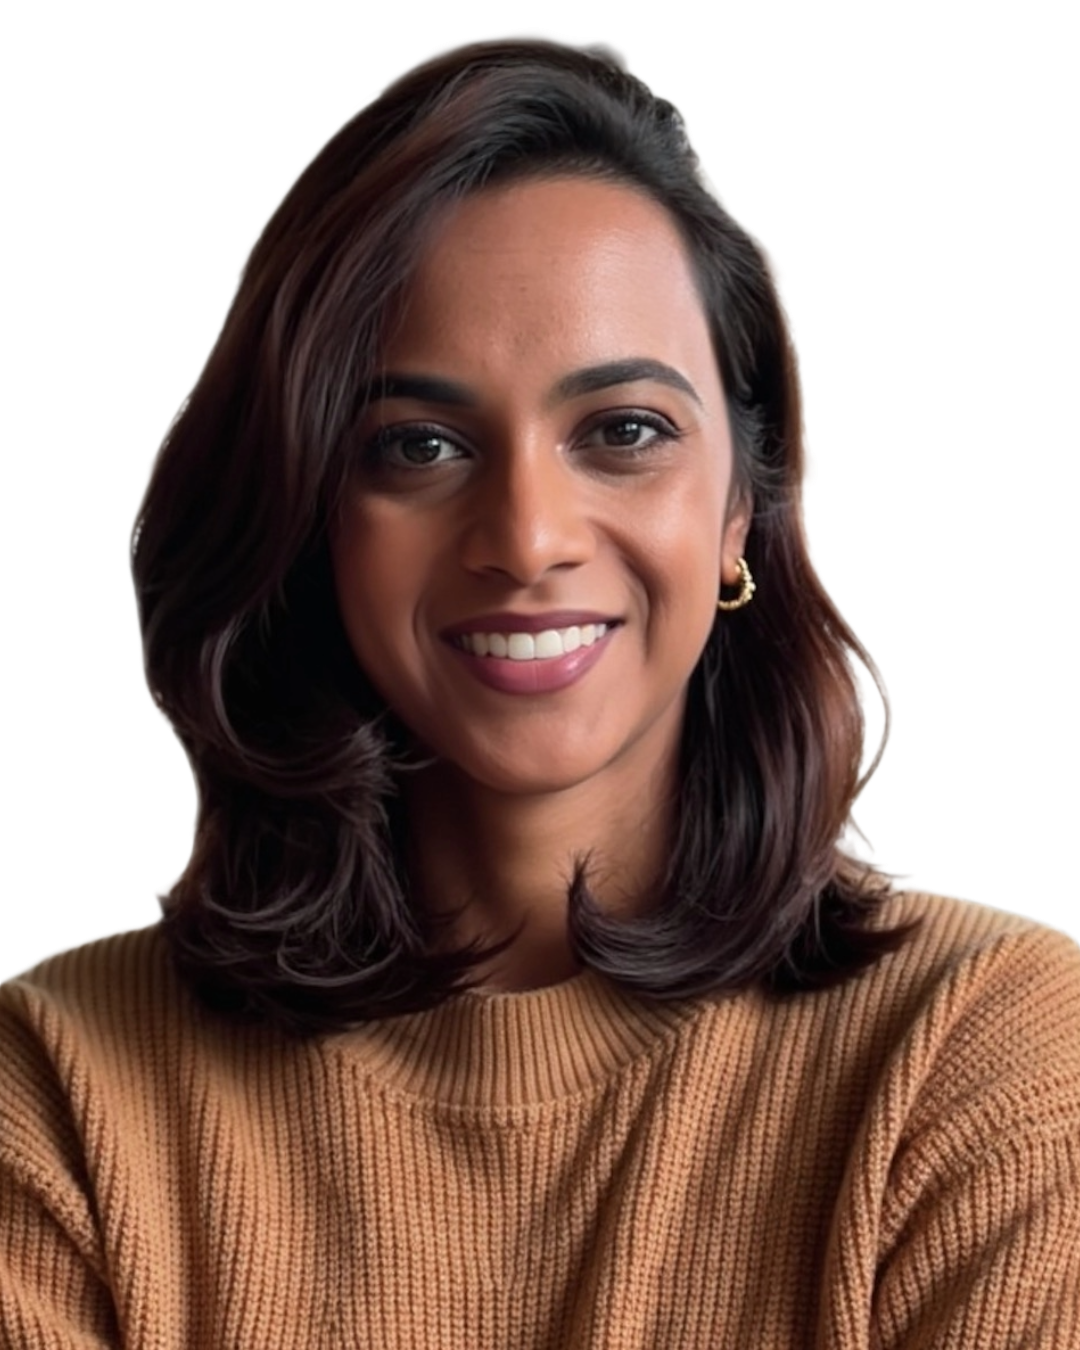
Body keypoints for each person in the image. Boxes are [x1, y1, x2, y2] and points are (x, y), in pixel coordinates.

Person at [3, 29, 1077, 1348]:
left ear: (740, 505)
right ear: (309, 515)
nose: (525, 535)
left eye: (622, 431)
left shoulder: (983, 1058)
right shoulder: (60, 1089)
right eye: (419, 445)